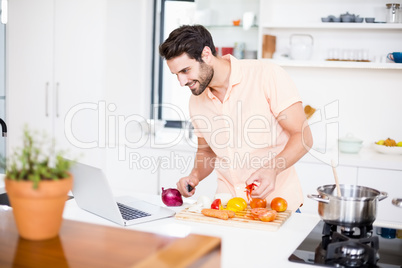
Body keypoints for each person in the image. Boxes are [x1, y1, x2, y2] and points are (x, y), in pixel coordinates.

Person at [159, 25, 313, 212]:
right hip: (228, 207)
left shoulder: (266, 75)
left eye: (185, 71)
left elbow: (303, 136)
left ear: (206, 54)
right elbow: (206, 151)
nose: (182, 82)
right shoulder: (196, 101)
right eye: (176, 75)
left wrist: (272, 169)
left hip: (277, 205)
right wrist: (194, 176)